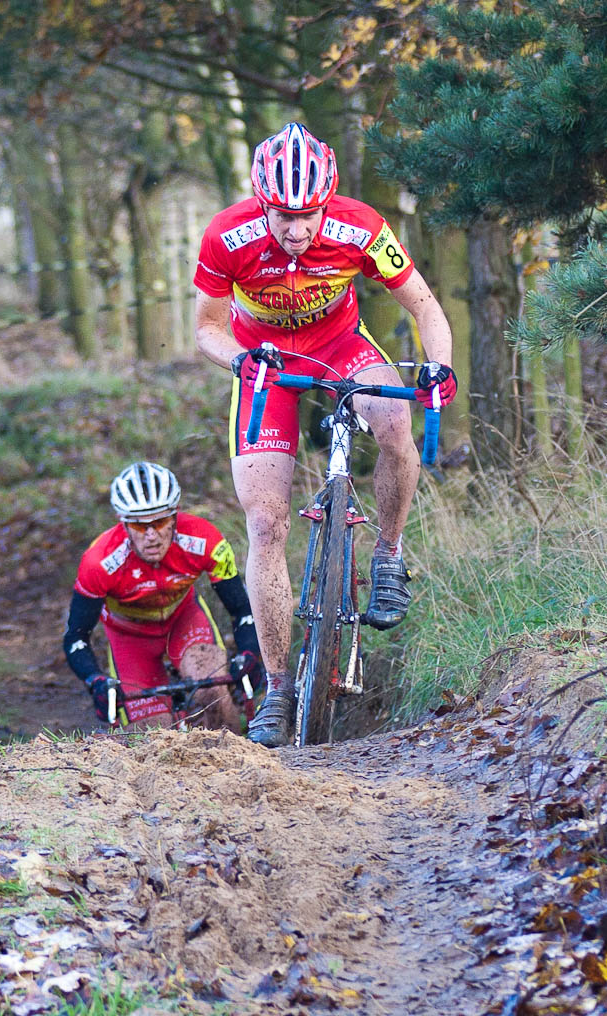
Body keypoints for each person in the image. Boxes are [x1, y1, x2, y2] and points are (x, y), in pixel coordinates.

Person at [193, 122, 456, 748]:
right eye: (283, 216)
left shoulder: (360, 226)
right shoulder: (227, 235)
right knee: (265, 524)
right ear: (262, 204)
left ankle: (387, 554)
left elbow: (424, 305)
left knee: (394, 423)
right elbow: (205, 328)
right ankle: (278, 687)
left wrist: (439, 366)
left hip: (340, 345)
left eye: (307, 214)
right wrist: (239, 360)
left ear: (327, 202)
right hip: (264, 363)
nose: (296, 229)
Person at [63, 461, 264, 731]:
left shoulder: (205, 539)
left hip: (184, 620)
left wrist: (249, 654)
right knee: (152, 734)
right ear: (123, 522)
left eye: (160, 522)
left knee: (212, 696)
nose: (151, 536)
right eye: (139, 526)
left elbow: (241, 610)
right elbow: (76, 637)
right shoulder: (98, 562)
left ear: (175, 515)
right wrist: (95, 681)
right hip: (129, 638)